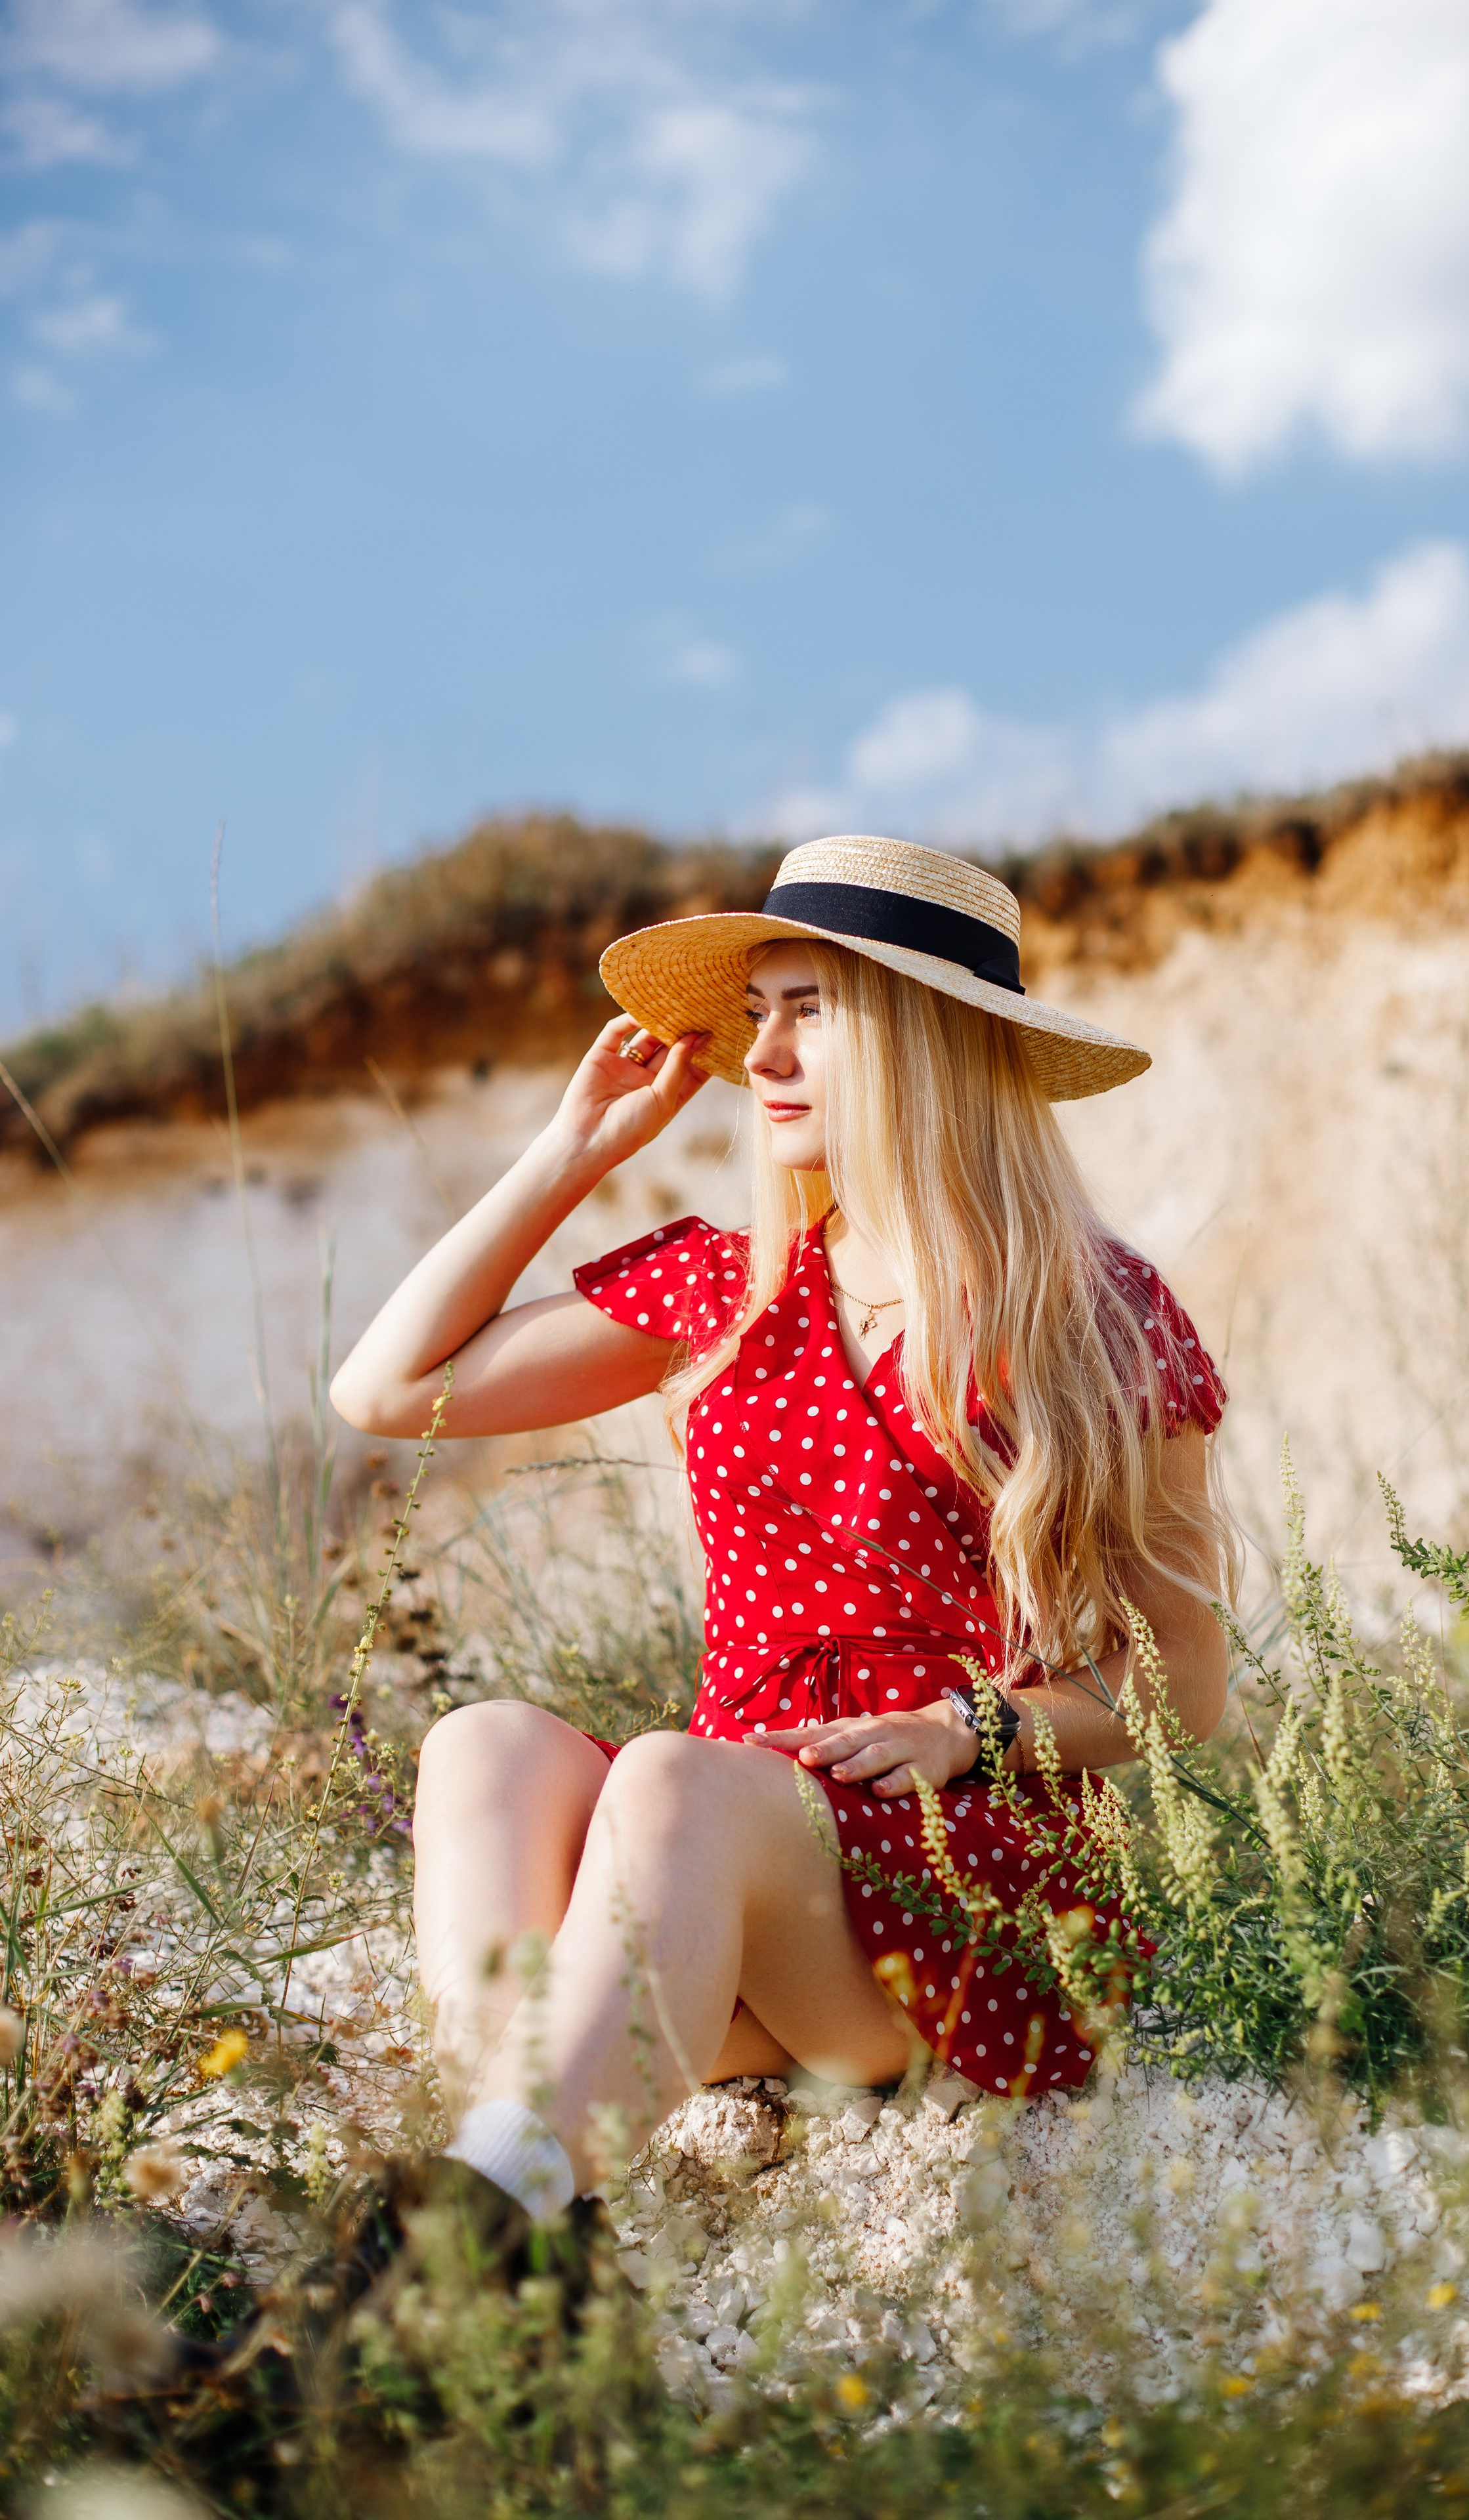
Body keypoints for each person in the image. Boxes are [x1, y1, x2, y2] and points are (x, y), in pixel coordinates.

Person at [328, 835, 1237, 2245]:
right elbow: (386, 1390)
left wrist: (966, 1729)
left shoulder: (1094, 1317)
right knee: (485, 1747)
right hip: (714, 1863)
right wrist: (569, 1154)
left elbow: (1186, 1688)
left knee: (673, 1782)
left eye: (807, 1008)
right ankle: (517, 2206)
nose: (761, 1055)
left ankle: (470, 2241)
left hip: (958, 1882)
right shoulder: (739, 1284)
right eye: (756, 1015)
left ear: (920, 1033)